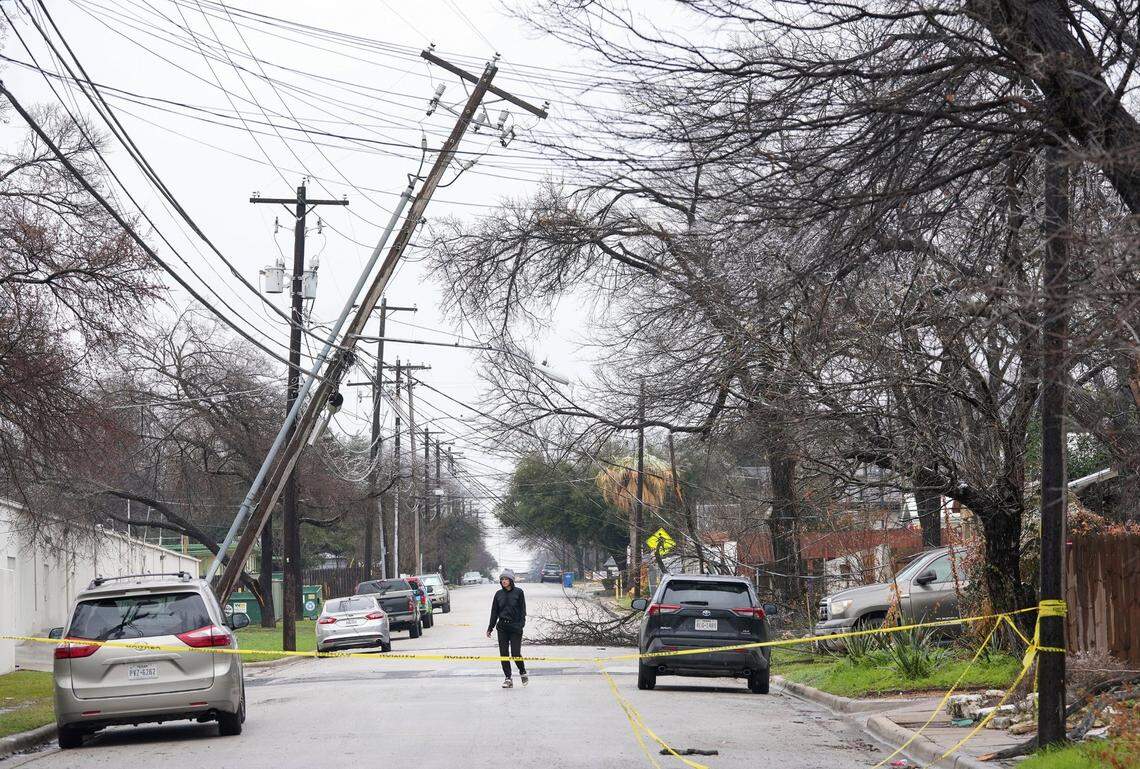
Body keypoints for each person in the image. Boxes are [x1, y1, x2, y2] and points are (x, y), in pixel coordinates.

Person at [486, 569, 528, 688]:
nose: (504, 581)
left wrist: (521, 625)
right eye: (502, 579)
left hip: (515, 627)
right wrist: (490, 627)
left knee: (515, 653)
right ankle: (508, 678)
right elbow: (494, 612)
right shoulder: (498, 594)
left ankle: (522, 671)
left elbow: (522, 610)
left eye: (506, 579)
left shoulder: (519, 592)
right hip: (502, 627)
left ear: (511, 580)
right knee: (504, 653)